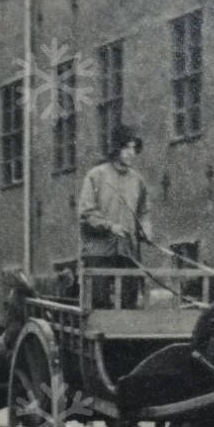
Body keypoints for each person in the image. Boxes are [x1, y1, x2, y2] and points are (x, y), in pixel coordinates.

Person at [78, 124, 154, 309]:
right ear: (116, 149)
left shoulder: (137, 181)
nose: (131, 153)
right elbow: (86, 213)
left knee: (129, 303)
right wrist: (110, 226)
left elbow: (143, 212)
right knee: (100, 304)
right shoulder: (96, 175)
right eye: (126, 148)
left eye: (134, 149)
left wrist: (146, 229)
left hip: (128, 251)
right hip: (99, 251)